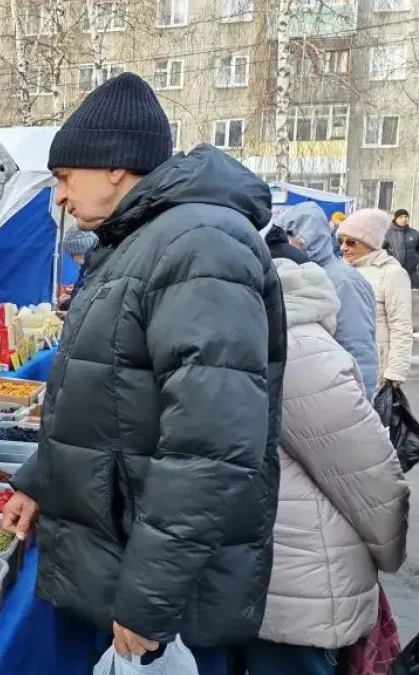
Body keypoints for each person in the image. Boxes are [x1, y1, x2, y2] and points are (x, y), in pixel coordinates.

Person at [2, 72, 286, 674]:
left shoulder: (201, 244)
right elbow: (100, 394)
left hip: (164, 596)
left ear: (114, 167)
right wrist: (40, 479)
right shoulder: (135, 242)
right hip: (116, 557)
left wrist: (150, 598)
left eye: (63, 177)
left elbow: (210, 446)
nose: (58, 197)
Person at [232, 258, 408, 675]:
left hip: (289, 586)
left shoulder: (284, 346)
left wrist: (386, 552)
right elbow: (372, 476)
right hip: (293, 584)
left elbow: (368, 474)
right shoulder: (292, 346)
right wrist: (386, 553)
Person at [275, 202, 378, 397]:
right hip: (306, 392)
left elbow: (358, 348)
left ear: (310, 238)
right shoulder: (293, 273)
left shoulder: (344, 281)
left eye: (291, 237)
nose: (285, 244)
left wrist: (361, 401)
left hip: (335, 393)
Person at [339, 209, 414, 390]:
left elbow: (401, 325)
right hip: (342, 363)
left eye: (351, 242)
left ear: (370, 242)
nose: (343, 247)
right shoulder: (340, 270)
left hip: (376, 368)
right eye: (340, 241)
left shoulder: (392, 273)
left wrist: (395, 373)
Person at [57, 224, 99, 312]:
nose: (72, 260)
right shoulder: (86, 268)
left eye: (72, 255)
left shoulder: (96, 269)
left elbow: (88, 301)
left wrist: (68, 303)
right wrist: (71, 298)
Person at [384, 208, 419, 288]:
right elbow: (380, 250)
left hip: (412, 273)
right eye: (401, 217)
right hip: (394, 272)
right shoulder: (387, 233)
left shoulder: (414, 233)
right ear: (395, 219)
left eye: (406, 216)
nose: (404, 219)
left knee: (414, 296)